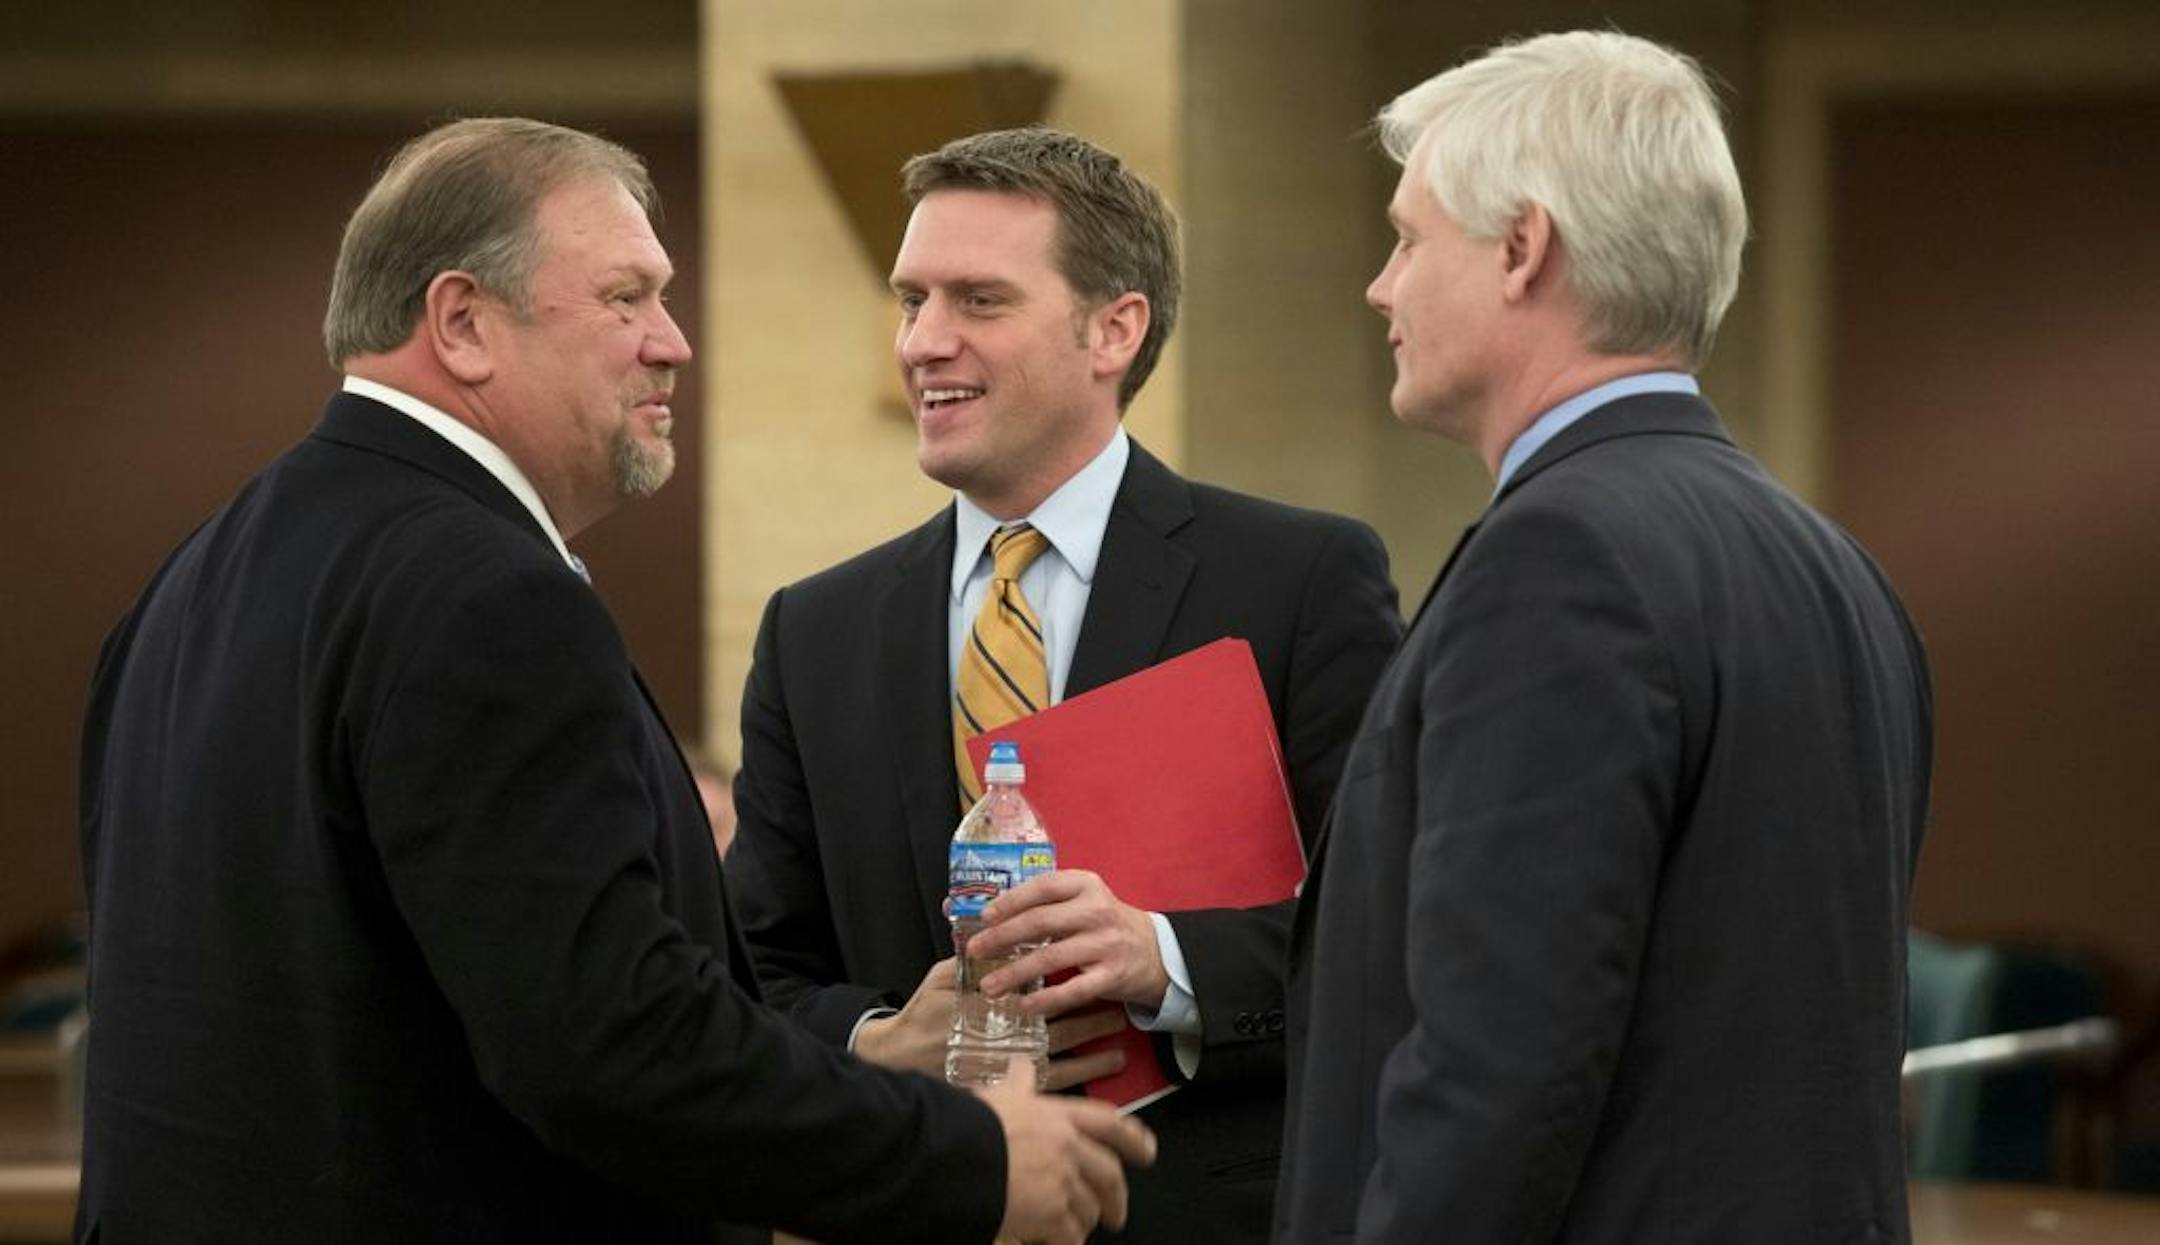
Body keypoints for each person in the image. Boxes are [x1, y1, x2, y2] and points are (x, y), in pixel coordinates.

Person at [76, 116, 1153, 1245]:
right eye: (627, 297)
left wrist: (873, 1057)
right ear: (463, 322)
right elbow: (606, 1042)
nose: (673, 343)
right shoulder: (488, 596)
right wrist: (969, 1158)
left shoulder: (186, 583)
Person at [1275, 31, 1934, 1243]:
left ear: (1522, 247)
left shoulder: (1558, 561)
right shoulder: (1837, 569)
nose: (1380, 285)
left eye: (1410, 238)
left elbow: (1495, 1075)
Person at [724, 127, 1402, 1241]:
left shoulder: (1300, 580)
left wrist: (1163, 959)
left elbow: (1388, 924)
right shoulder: (815, 630)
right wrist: (879, 1041)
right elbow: (755, 973)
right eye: (911, 300)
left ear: (1113, 330)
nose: (922, 342)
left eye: (980, 300)